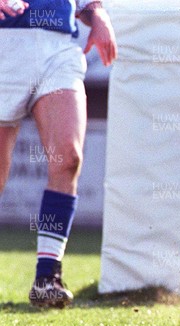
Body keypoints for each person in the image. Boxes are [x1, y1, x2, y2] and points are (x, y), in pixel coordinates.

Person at [0, 0, 117, 307]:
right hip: (4, 43)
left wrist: (97, 14)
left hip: (58, 47)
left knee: (68, 157)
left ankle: (47, 276)